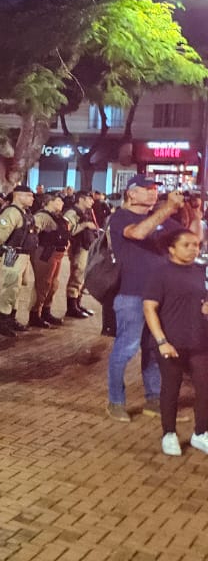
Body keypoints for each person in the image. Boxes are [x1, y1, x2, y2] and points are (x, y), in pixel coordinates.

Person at [106, 176, 181, 422]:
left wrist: (191, 211)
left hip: (160, 296)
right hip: (132, 294)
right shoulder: (121, 217)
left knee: (153, 349)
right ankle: (115, 401)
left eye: (155, 190)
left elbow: (190, 239)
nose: (152, 194)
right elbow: (138, 234)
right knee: (125, 349)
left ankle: (154, 400)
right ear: (131, 194)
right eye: (146, 190)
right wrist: (167, 209)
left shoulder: (162, 220)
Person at [143, 228, 208, 456]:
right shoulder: (160, 273)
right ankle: (169, 434)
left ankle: (201, 433)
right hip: (171, 340)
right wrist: (162, 341)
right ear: (172, 248)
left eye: (196, 245)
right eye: (187, 245)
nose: (193, 249)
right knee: (171, 388)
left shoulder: (201, 271)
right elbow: (150, 308)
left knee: (205, 386)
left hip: (199, 339)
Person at [0, 185, 38, 337]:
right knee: (10, 287)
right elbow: (1, 235)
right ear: (19, 196)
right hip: (13, 254)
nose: (33, 199)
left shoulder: (25, 212)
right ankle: (2, 323)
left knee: (16, 288)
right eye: (29, 195)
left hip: (24, 255)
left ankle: (11, 319)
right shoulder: (12, 212)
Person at [28, 193, 70, 329]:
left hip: (56, 253)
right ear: (49, 202)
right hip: (45, 253)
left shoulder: (57, 217)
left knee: (52, 285)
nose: (62, 203)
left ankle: (45, 312)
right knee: (43, 285)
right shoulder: (43, 216)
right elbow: (33, 229)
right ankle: (35, 315)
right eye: (58, 201)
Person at [63, 192, 100, 318]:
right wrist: (84, 225)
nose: (92, 201)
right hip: (78, 248)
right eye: (89, 199)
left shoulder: (87, 212)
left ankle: (77, 304)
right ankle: (72, 307)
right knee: (77, 276)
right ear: (81, 199)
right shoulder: (72, 213)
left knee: (82, 278)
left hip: (87, 247)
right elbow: (67, 231)